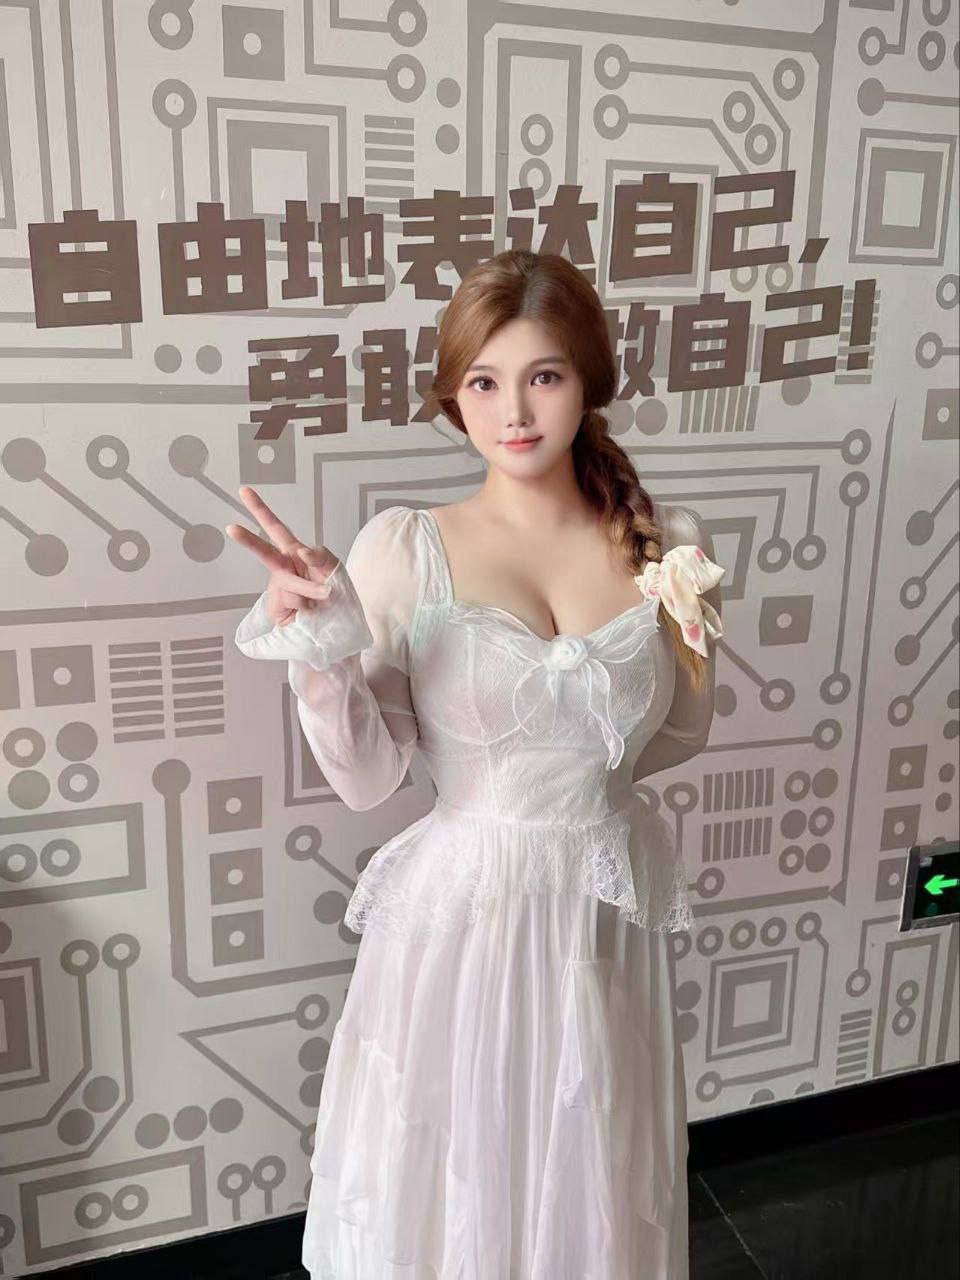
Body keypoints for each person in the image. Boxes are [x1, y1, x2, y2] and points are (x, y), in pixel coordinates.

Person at [227, 249, 725, 1279]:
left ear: (588, 381)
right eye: (484, 382)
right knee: (460, 1189)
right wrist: (321, 649)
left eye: (544, 375)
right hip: (463, 927)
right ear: (453, 396)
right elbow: (368, 777)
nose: (515, 412)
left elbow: (679, 733)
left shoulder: (666, 545)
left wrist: (587, 779)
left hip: (600, 921)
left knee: (589, 1174)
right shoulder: (407, 547)